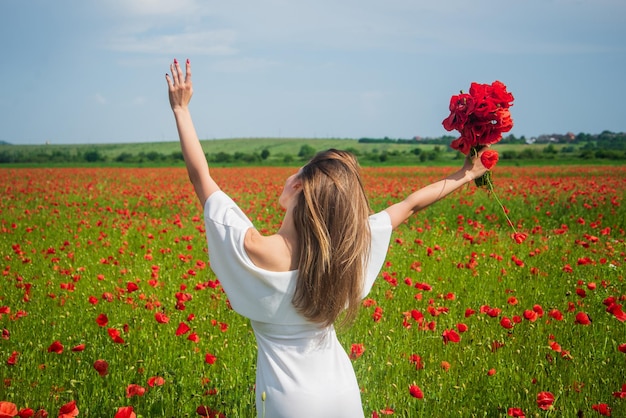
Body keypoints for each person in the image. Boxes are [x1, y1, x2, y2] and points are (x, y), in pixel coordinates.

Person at [166, 58, 490, 418]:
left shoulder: (256, 250)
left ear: (299, 185)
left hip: (288, 400)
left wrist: (181, 109)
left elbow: (202, 178)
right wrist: (466, 173)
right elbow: (411, 205)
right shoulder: (348, 251)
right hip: (341, 392)